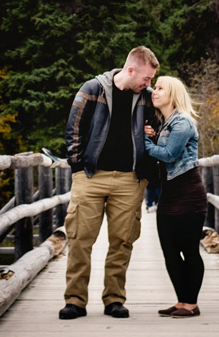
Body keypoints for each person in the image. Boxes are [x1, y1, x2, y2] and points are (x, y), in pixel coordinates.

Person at [59, 45, 160, 319]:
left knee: (122, 242)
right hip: (91, 177)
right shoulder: (93, 88)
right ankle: (75, 301)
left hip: (130, 179)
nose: (148, 84)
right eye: (146, 78)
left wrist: (153, 136)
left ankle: (114, 299)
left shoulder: (149, 98)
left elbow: (162, 130)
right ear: (130, 69)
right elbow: (74, 128)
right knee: (80, 239)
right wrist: (78, 167)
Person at [142, 74, 207, 317]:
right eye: (154, 87)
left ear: (173, 95)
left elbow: (168, 154)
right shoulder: (166, 123)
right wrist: (152, 136)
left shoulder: (183, 123)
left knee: (189, 249)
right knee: (169, 250)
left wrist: (144, 141)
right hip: (169, 194)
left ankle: (191, 303)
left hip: (189, 194)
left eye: (160, 88)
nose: (154, 92)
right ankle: (181, 301)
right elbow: (162, 149)